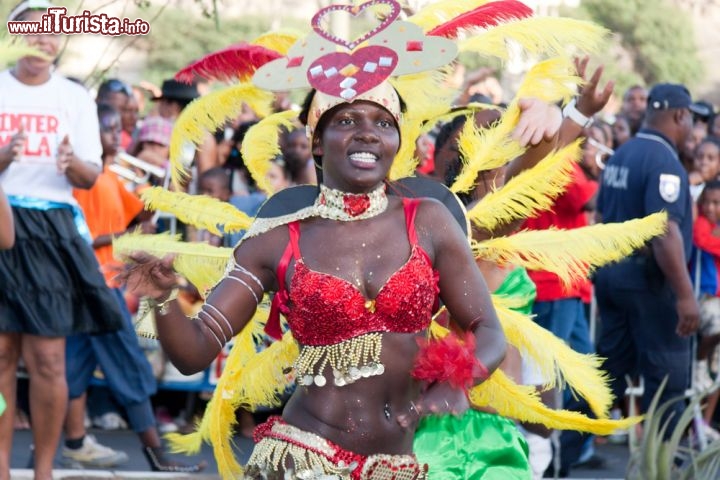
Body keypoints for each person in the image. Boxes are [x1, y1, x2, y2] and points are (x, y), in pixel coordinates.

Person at [0, 2, 124, 479]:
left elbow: (91, 176)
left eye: (51, 35)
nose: (42, 42)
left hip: (52, 231)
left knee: (49, 359)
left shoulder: (74, 97)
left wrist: (71, 161)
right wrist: (3, 157)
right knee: (1, 356)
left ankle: (45, 471)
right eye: (32, 33)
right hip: (2, 220)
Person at [66, 103, 205, 473]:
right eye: (108, 129)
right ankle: (155, 453)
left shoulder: (111, 176)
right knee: (129, 365)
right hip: (93, 285)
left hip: (101, 285)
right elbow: (82, 239)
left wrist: (156, 198)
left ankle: (70, 444)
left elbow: (141, 222)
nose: (117, 134)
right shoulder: (85, 180)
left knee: (72, 371)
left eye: (118, 128)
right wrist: (124, 234)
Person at [595, 83, 702, 440]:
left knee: (607, 372)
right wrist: (685, 295)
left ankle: (565, 451)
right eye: (690, 120)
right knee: (666, 382)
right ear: (679, 115)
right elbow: (664, 232)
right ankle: (662, 465)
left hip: (613, 276)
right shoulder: (663, 161)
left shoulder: (622, 153)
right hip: (648, 284)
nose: (692, 128)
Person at [689, 179, 720, 441]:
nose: (710, 207)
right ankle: (701, 361)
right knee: (717, 325)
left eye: (716, 203)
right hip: (706, 299)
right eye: (707, 202)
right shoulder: (701, 224)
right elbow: (702, 240)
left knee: (719, 372)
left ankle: (704, 424)